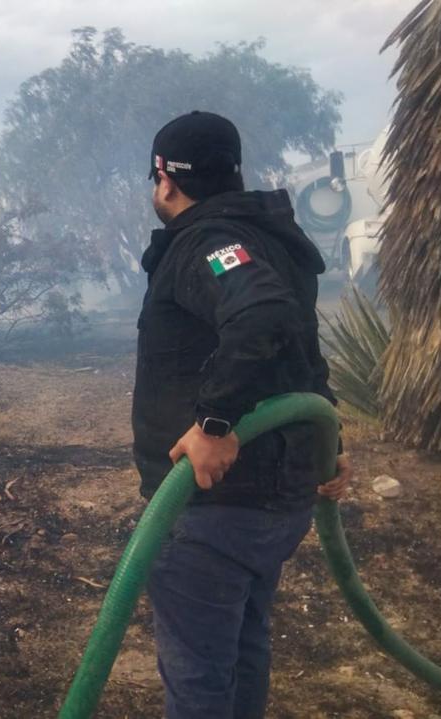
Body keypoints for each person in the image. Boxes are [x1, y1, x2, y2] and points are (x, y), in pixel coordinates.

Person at [134, 111, 352, 718]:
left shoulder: (209, 244)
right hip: (276, 501)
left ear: (165, 178)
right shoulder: (265, 238)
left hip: (211, 505)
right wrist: (327, 432)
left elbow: (262, 317)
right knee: (242, 650)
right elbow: (299, 348)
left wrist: (214, 424)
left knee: (201, 675)